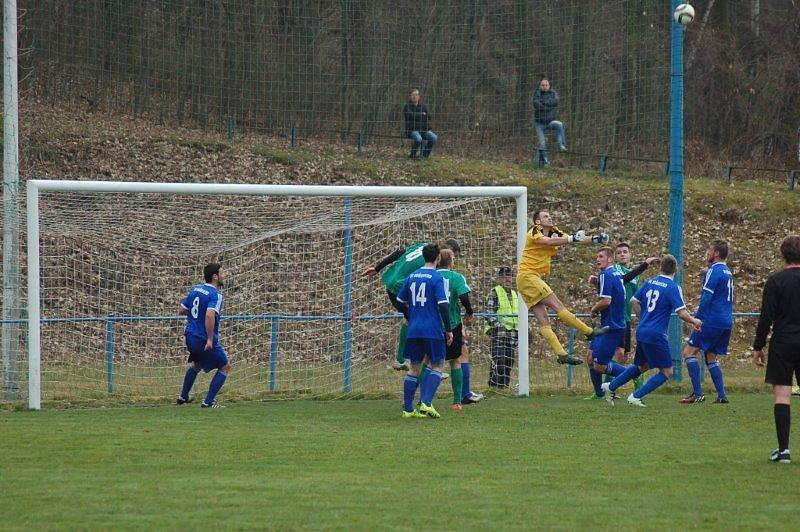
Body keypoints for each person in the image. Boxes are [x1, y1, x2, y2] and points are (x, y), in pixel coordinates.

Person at [601, 255, 702, 407]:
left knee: (642, 366)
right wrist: (694, 321)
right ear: (676, 269)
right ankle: (636, 396)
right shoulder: (673, 287)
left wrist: (643, 318)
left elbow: (633, 300)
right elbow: (681, 313)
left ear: (660, 268)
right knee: (667, 372)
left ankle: (611, 386)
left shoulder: (650, 282)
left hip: (642, 330)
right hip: (656, 334)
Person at [517, 210, 610, 366]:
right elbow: (547, 242)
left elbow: (574, 240)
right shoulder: (534, 232)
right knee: (558, 305)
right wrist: (571, 238)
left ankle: (561, 354)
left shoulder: (555, 232)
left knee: (544, 321)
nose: (550, 217)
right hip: (528, 276)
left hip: (529, 279)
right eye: (545, 216)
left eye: (549, 215)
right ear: (538, 222)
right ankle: (589, 332)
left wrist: (594, 239)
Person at [362, 239, 460, 373]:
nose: (451, 262)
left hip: (391, 282)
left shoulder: (424, 246)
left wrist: (377, 268)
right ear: (444, 255)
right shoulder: (433, 264)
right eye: (452, 257)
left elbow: (399, 253)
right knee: (424, 320)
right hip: (399, 288)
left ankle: (402, 360)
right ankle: (431, 367)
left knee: (412, 320)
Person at [585, 245, 657, 397]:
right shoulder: (613, 273)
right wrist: (597, 283)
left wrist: (594, 309)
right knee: (591, 356)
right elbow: (612, 289)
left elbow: (607, 300)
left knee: (607, 362)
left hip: (615, 324)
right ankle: (600, 393)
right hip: (610, 324)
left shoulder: (613, 274)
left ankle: (633, 374)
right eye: (619, 252)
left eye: (601, 257)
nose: (597, 259)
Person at [752, 235, 800, 464]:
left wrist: (758, 346)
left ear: (783, 255)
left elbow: (766, 317)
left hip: (783, 342)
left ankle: (784, 450)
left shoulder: (775, 281)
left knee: (782, 395)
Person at [396, 244, 453, 419]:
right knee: (438, 364)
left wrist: (411, 314)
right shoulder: (437, 277)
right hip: (432, 328)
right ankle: (426, 404)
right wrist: (449, 329)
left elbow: (399, 300)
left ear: (423, 257)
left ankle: (407, 409)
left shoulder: (412, 276)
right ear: (438, 258)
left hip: (414, 329)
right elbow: (443, 305)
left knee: (414, 367)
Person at [680, 240, 734, 404]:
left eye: (710, 249)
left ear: (716, 253)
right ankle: (722, 395)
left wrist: (697, 318)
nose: (707, 252)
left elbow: (707, 297)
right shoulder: (728, 272)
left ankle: (697, 394)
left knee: (689, 352)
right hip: (726, 320)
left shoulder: (714, 270)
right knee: (711, 356)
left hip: (711, 319)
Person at [177, 263, 231, 409]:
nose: (224, 275)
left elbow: (182, 310)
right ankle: (208, 402)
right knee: (225, 366)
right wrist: (209, 338)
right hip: (202, 337)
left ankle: (183, 396)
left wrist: (195, 319)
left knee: (197, 364)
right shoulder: (216, 295)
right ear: (215, 277)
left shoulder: (195, 289)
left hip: (190, 335)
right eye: (222, 272)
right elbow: (209, 315)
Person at [437, 249, 479, 410]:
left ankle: (418, 400)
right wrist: (469, 312)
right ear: (451, 261)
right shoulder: (456, 277)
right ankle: (456, 401)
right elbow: (463, 296)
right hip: (452, 324)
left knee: (426, 361)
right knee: (455, 361)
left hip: (432, 324)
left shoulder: (430, 276)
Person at [485, 266, 519, 388]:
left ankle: (504, 387)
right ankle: (494, 386)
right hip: (499, 335)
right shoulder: (495, 293)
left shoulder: (515, 294)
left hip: (513, 335)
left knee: (509, 362)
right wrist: (499, 327)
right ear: (500, 279)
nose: (508, 279)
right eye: (505, 277)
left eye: (509, 276)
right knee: (498, 361)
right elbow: (489, 313)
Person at [532, 78, 566, 166]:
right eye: (543, 85)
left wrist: (544, 103)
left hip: (550, 122)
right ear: (540, 86)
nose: (544, 87)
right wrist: (548, 106)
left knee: (560, 125)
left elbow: (556, 101)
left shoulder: (553, 93)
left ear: (549, 86)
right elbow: (537, 105)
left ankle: (560, 144)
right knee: (542, 143)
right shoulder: (537, 94)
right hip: (539, 124)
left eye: (546, 85)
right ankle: (545, 161)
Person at [403, 89, 437, 160]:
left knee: (434, 137)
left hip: (424, 130)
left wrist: (419, 116)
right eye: (413, 95)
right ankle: (413, 155)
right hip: (412, 130)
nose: (414, 96)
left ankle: (424, 157)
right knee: (418, 139)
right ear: (410, 96)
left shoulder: (424, 106)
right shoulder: (407, 106)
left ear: (419, 96)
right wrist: (422, 115)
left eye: (416, 95)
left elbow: (429, 116)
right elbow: (410, 116)